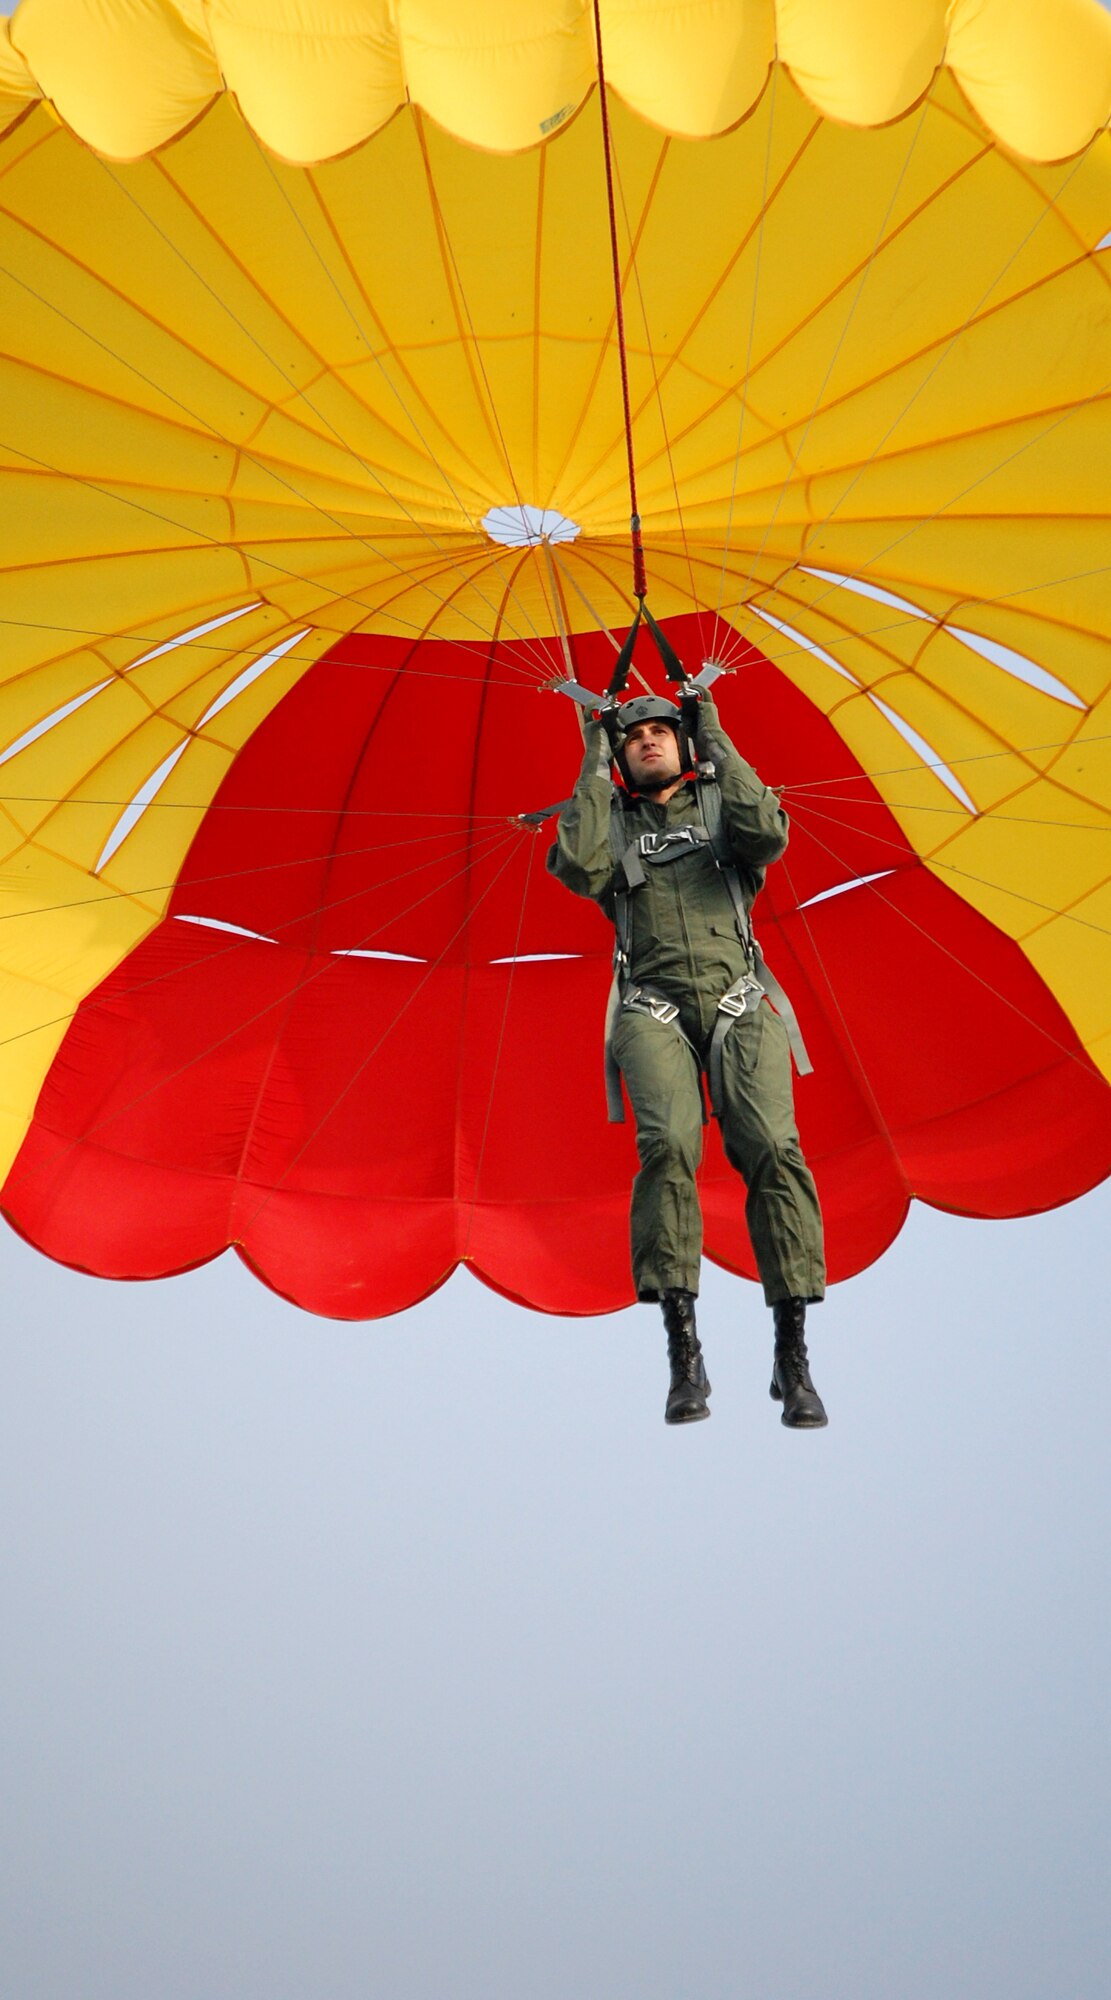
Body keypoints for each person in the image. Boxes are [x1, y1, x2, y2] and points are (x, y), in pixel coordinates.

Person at [546, 688, 828, 1428]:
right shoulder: (609, 823)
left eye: (659, 731)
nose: (646, 741)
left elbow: (766, 836)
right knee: (667, 1144)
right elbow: (576, 866)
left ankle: (791, 1356)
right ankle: (683, 1352)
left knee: (771, 1146)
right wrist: (591, 765)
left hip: (737, 999)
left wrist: (720, 739)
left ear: (682, 739)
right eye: (631, 735)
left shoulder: (719, 809)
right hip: (651, 1006)